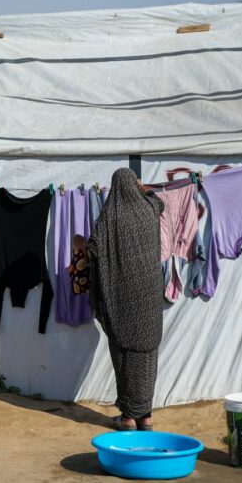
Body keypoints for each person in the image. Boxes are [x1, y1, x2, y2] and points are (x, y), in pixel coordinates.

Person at [88, 168, 165, 431]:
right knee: (147, 357)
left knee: (124, 354)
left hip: (121, 299)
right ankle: (146, 416)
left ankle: (130, 418)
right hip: (150, 298)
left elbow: (94, 247)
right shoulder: (149, 211)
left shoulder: (110, 216)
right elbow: (160, 202)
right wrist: (144, 189)